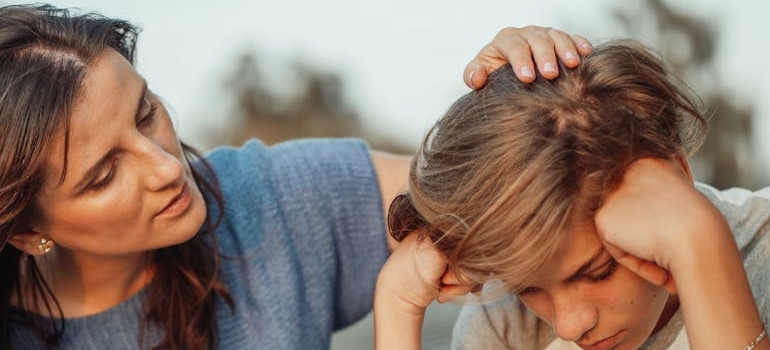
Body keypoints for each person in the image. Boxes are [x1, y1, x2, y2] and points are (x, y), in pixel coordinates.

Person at [0, 3, 595, 350]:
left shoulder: (275, 197)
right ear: (27, 232)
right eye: (104, 175)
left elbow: (522, 185)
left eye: (146, 113)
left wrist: (533, 101)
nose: (165, 166)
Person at [375, 39, 770, 350]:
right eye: (527, 287)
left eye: (598, 271)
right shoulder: (506, 323)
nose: (569, 323)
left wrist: (700, 246)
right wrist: (397, 308)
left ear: (678, 175)